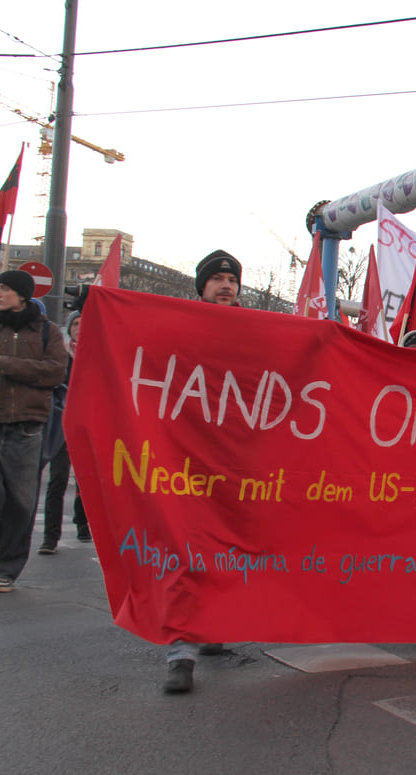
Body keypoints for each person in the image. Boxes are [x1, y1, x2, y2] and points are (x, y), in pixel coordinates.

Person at [163, 250, 242, 694]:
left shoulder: (259, 331)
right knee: (186, 550)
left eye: (231, 278)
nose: (225, 284)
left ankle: (215, 624)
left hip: (240, 462)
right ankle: (181, 652)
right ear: (202, 286)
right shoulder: (177, 324)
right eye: (216, 278)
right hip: (185, 460)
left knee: (230, 548)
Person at [0, 270, 68, 593]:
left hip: (27, 428)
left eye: (5, 288)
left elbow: (54, 372)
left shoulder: (47, 334)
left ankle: (7, 568)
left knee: (21, 503)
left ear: (22, 295)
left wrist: (6, 364)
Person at [40, 310, 88, 554]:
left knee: (88, 481)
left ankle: (83, 524)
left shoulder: (95, 354)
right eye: (75, 324)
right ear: (69, 327)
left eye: (84, 324)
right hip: (61, 424)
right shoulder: (60, 354)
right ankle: (50, 537)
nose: (79, 328)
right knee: (57, 480)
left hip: (87, 424)